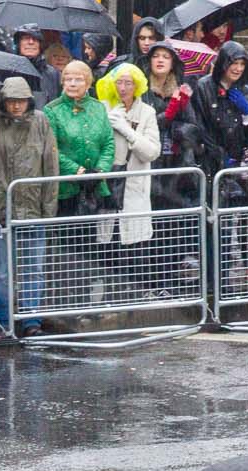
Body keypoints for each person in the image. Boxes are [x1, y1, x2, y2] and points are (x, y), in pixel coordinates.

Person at [0, 76, 58, 334]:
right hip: (3, 209)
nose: (16, 106)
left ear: (29, 101)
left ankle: (31, 320)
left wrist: (49, 211)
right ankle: (3, 320)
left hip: (34, 206)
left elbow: (51, 167)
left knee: (33, 268)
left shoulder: (41, 122)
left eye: (21, 101)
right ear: (4, 102)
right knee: (1, 271)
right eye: (12, 101)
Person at [45, 61, 113, 302]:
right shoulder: (52, 110)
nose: (73, 84)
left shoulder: (98, 108)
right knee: (66, 247)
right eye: (68, 79)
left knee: (89, 247)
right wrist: (78, 171)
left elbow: (108, 143)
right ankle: (64, 299)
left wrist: (100, 170)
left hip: (94, 188)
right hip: (67, 189)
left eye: (78, 79)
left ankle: (84, 298)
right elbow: (52, 148)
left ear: (88, 83)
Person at [101, 64, 160, 299]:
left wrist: (127, 130)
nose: (123, 88)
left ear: (137, 86)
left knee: (134, 249)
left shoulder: (147, 112)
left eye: (128, 83)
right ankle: (110, 299)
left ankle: (133, 298)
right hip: (109, 189)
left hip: (135, 191)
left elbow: (151, 152)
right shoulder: (103, 109)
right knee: (108, 248)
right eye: (119, 82)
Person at [186, 42, 248, 182]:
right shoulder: (203, 87)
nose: (238, 69)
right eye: (234, 63)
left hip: (236, 162)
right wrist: (220, 155)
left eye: (242, 64)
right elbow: (200, 126)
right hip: (209, 162)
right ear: (224, 62)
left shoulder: (244, 90)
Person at [15, 26, 63, 104]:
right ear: (18, 43)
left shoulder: (53, 73)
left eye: (35, 39)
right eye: (26, 38)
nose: (31, 42)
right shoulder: (8, 71)